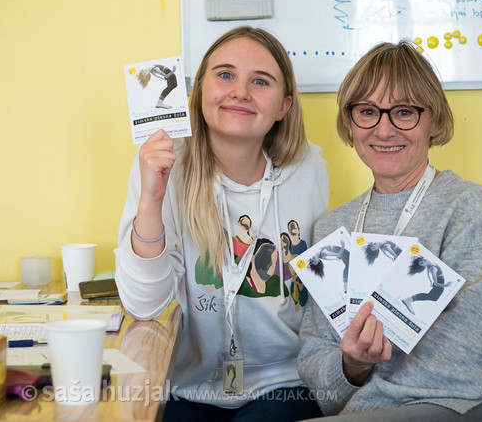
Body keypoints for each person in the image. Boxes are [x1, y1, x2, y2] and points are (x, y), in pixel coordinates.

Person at [297, 40, 482, 421]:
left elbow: (470, 360)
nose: (384, 130)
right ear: (350, 121)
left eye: (404, 112)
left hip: (481, 403)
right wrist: (352, 366)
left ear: (434, 119)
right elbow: (316, 360)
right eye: (368, 111)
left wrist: (356, 410)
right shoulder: (333, 228)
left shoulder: (471, 209)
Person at [115, 26, 329, 421]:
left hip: (285, 383)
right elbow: (144, 305)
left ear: (284, 105)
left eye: (260, 81)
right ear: (198, 93)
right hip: (187, 387)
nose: (240, 92)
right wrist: (152, 198)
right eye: (225, 74)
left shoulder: (309, 166)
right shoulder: (164, 163)